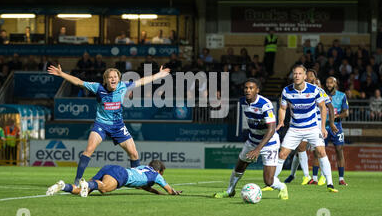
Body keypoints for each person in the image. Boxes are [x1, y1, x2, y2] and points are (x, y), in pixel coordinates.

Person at [47, 64, 171, 186]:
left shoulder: (123, 86)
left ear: (119, 79)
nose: (113, 79)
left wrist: (158, 75)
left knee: (134, 153)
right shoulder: (98, 88)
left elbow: (142, 81)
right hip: (101, 124)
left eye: (115, 77)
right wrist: (61, 73)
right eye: (110, 77)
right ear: (105, 79)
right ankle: (78, 180)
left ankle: (137, 180)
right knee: (89, 150)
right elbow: (79, 82)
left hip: (118, 126)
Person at [213, 78, 288, 200]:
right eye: (246, 88)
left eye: (251, 88)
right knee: (239, 166)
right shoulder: (243, 101)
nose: (248, 90)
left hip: (269, 143)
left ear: (257, 90)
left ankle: (282, 186)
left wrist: (258, 149)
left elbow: (271, 129)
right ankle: (230, 191)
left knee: (268, 181)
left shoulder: (265, 105)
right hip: (252, 141)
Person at [274, 64, 338, 193]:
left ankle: (330, 184)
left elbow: (323, 107)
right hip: (295, 129)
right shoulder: (287, 90)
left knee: (321, 152)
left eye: (299, 74)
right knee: (282, 154)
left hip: (312, 128)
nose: (297, 76)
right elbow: (282, 108)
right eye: (295, 74)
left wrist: (323, 127)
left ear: (304, 76)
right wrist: (281, 121)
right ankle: (272, 181)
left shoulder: (314, 90)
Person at [46, 160, 182, 197]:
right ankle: (87, 183)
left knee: (85, 190)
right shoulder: (156, 175)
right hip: (121, 175)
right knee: (104, 188)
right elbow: (170, 190)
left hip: (111, 168)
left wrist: (157, 193)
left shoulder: (143, 167)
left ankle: (63, 186)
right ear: (159, 171)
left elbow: (144, 186)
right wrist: (174, 192)